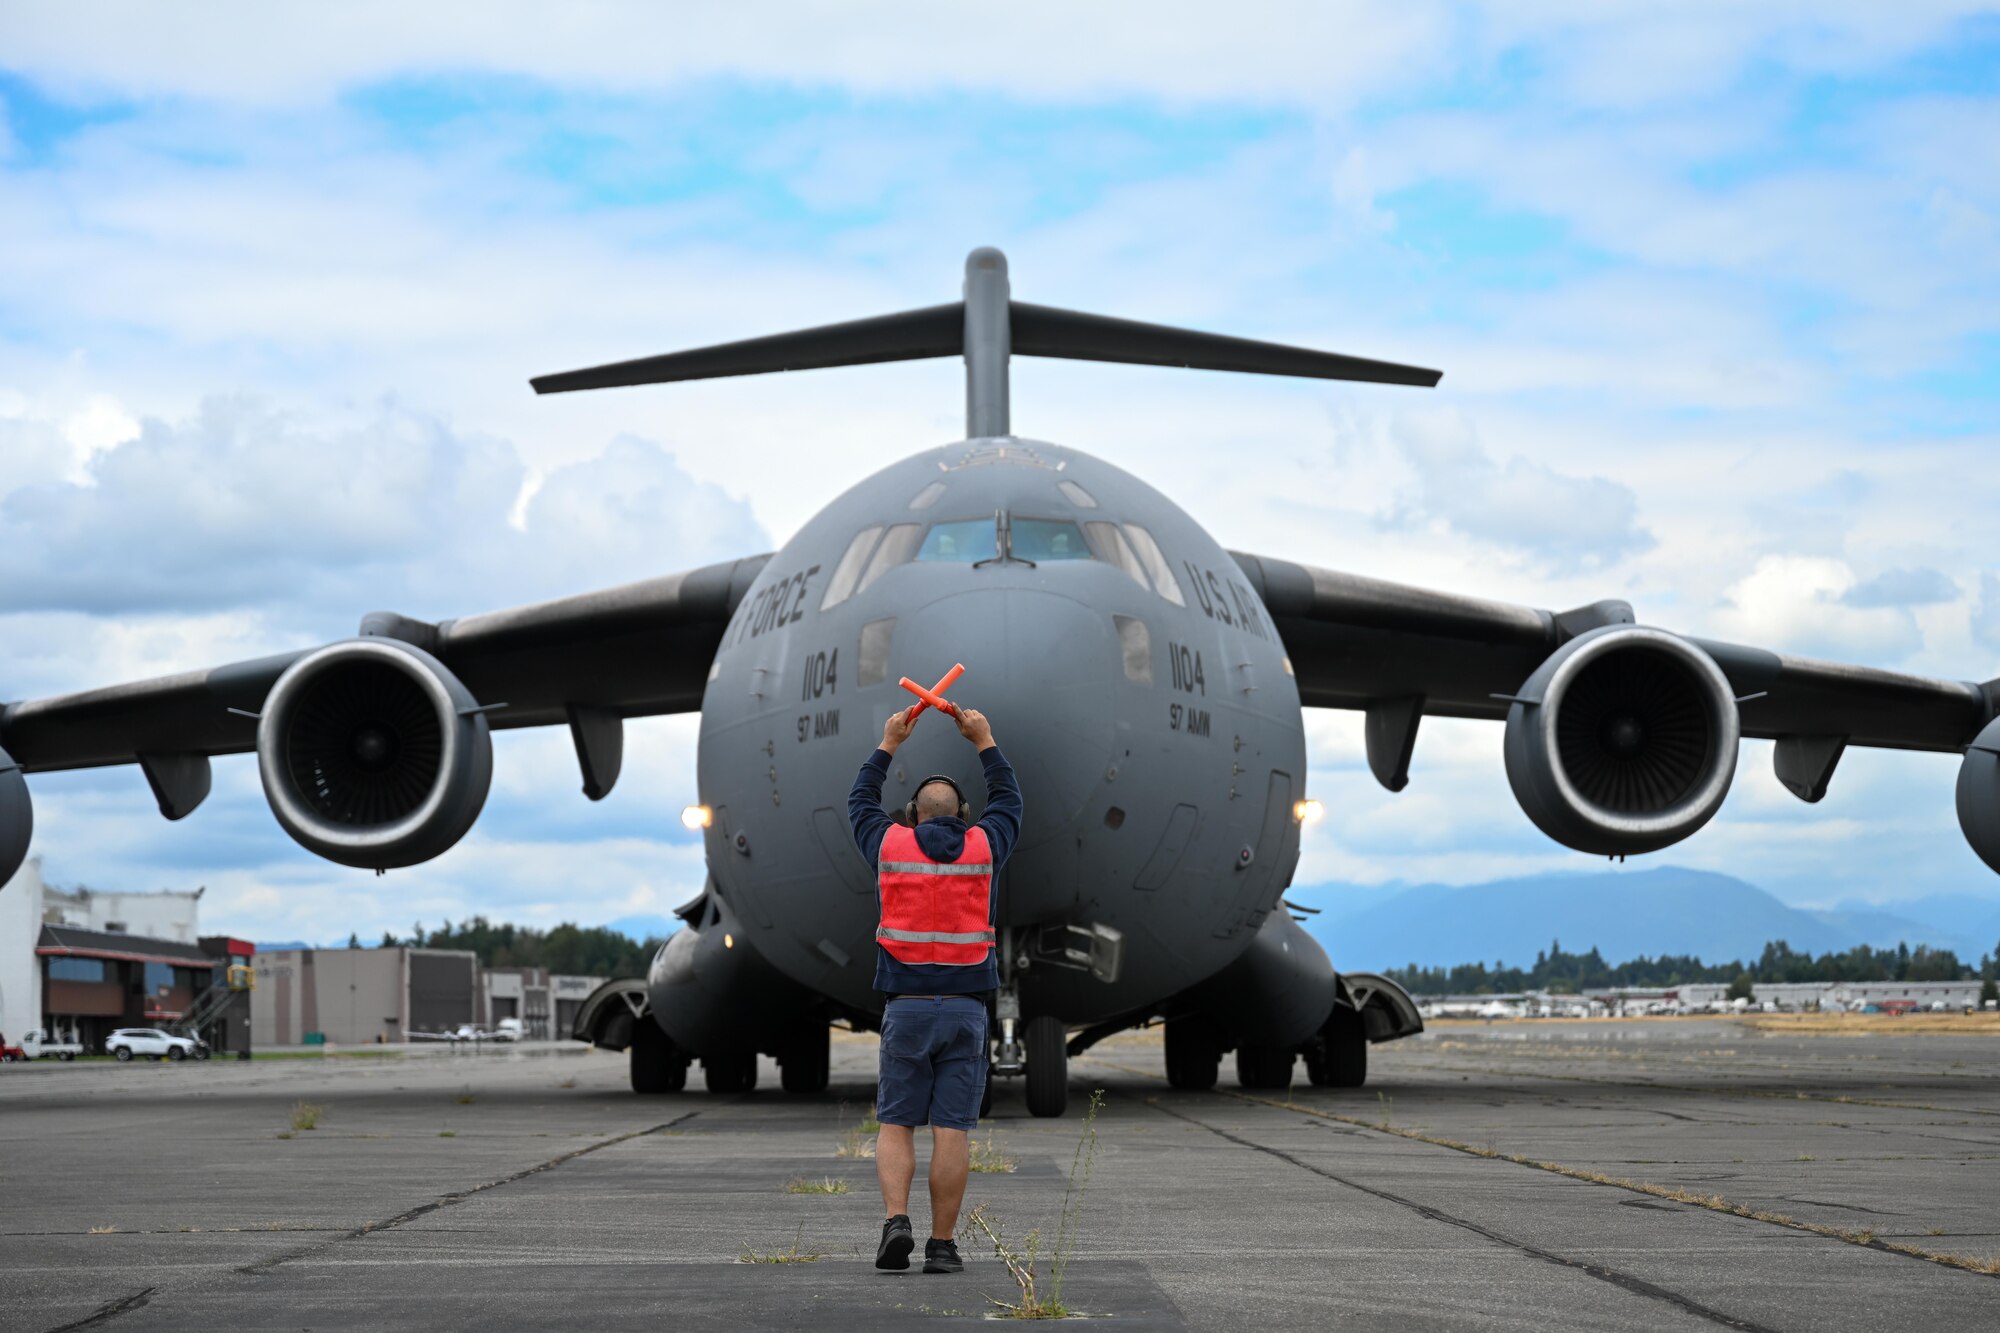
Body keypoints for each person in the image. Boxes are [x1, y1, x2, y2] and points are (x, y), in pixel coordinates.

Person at [848, 701, 1021, 1274]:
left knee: (897, 1122)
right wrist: (984, 738)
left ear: (911, 815)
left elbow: (858, 802)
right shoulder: (984, 847)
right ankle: (942, 1247)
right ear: (965, 814)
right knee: (954, 1130)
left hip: (908, 1008)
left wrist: (889, 741)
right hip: (967, 1011)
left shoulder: (890, 846)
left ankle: (896, 1221)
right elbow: (1010, 802)